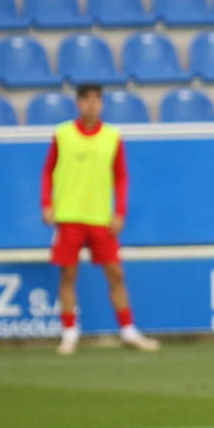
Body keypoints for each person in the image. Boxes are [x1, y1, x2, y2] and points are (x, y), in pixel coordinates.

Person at [40, 84, 159, 357]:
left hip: (100, 218)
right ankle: (69, 333)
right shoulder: (63, 134)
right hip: (69, 215)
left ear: (102, 104)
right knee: (68, 274)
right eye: (86, 100)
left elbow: (121, 176)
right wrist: (47, 204)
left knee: (116, 273)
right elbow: (48, 171)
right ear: (78, 103)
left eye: (96, 100)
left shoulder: (112, 136)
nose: (91, 105)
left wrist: (120, 211)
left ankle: (128, 330)